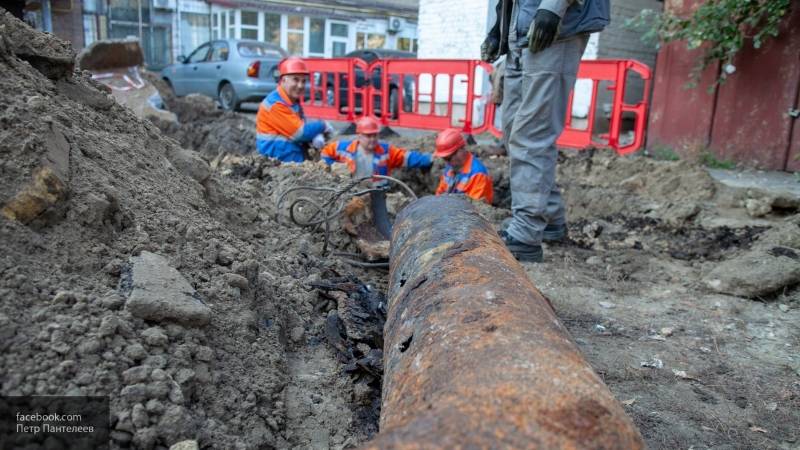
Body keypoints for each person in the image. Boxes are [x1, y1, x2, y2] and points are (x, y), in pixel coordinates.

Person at [481, 0, 610, 262]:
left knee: (532, 133)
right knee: (513, 130)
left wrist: (553, 7)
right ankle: (549, 218)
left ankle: (525, 235)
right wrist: (497, 28)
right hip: (520, 30)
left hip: (556, 28)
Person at [255, 57, 330, 162]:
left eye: (303, 81)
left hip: (285, 153)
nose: (300, 85)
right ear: (283, 80)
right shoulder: (276, 104)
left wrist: (315, 135)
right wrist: (322, 125)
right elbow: (300, 133)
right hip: (277, 157)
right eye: (295, 79)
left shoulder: (291, 100)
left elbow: (300, 124)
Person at [321, 117, 432, 179]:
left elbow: (408, 158)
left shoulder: (386, 151)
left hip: (379, 196)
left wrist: (429, 159)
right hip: (352, 194)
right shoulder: (344, 148)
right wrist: (332, 170)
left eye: (375, 135)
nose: (373, 139)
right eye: (368, 136)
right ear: (359, 135)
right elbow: (325, 153)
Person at [433, 128, 493, 205]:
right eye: (444, 158)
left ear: (461, 150)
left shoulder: (478, 175)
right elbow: (440, 192)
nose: (447, 162)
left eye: (448, 158)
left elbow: (475, 209)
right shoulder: (450, 167)